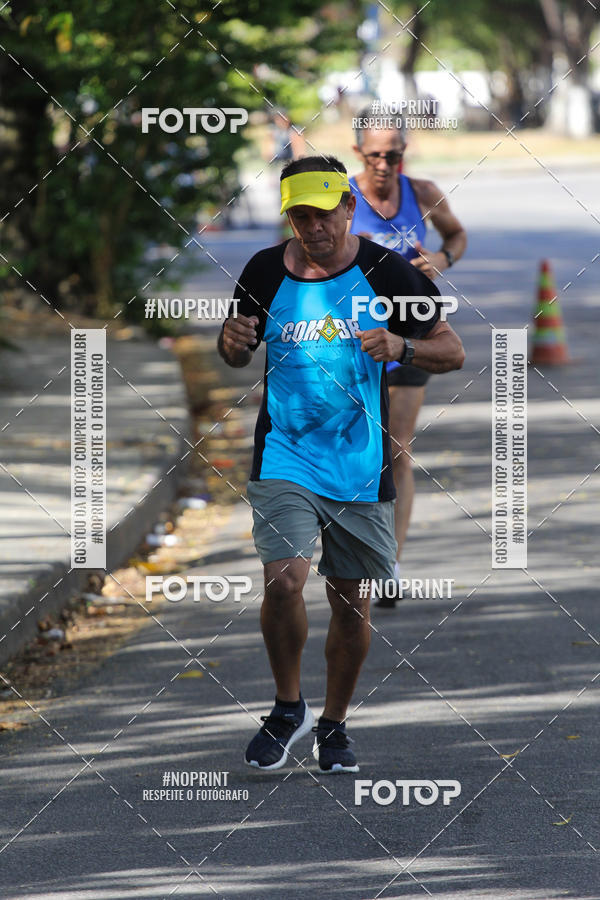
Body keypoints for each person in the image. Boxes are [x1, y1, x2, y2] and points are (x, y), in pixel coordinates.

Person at [218, 155, 465, 772]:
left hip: (359, 461)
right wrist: (231, 344)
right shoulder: (263, 270)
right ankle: (287, 707)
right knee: (284, 580)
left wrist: (402, 345)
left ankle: (333, 723)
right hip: (286, 452)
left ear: (349, 207)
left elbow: (451, 350)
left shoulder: (387, 273)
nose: (313, 228)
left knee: (350, 601)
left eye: (323, 214)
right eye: (300, 216)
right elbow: (237, 349)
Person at [349, 109, 467, 606]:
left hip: (411, 330)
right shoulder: (340, 197)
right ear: (358, 152)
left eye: (392, 155)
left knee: (397, 449)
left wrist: (441, 258)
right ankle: (350, 547)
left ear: (404, 152)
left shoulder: (421, 192)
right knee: (358, 447)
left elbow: (456, 235)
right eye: (374, 155)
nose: (383, 164)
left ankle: (389, 565)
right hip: (353, 337)